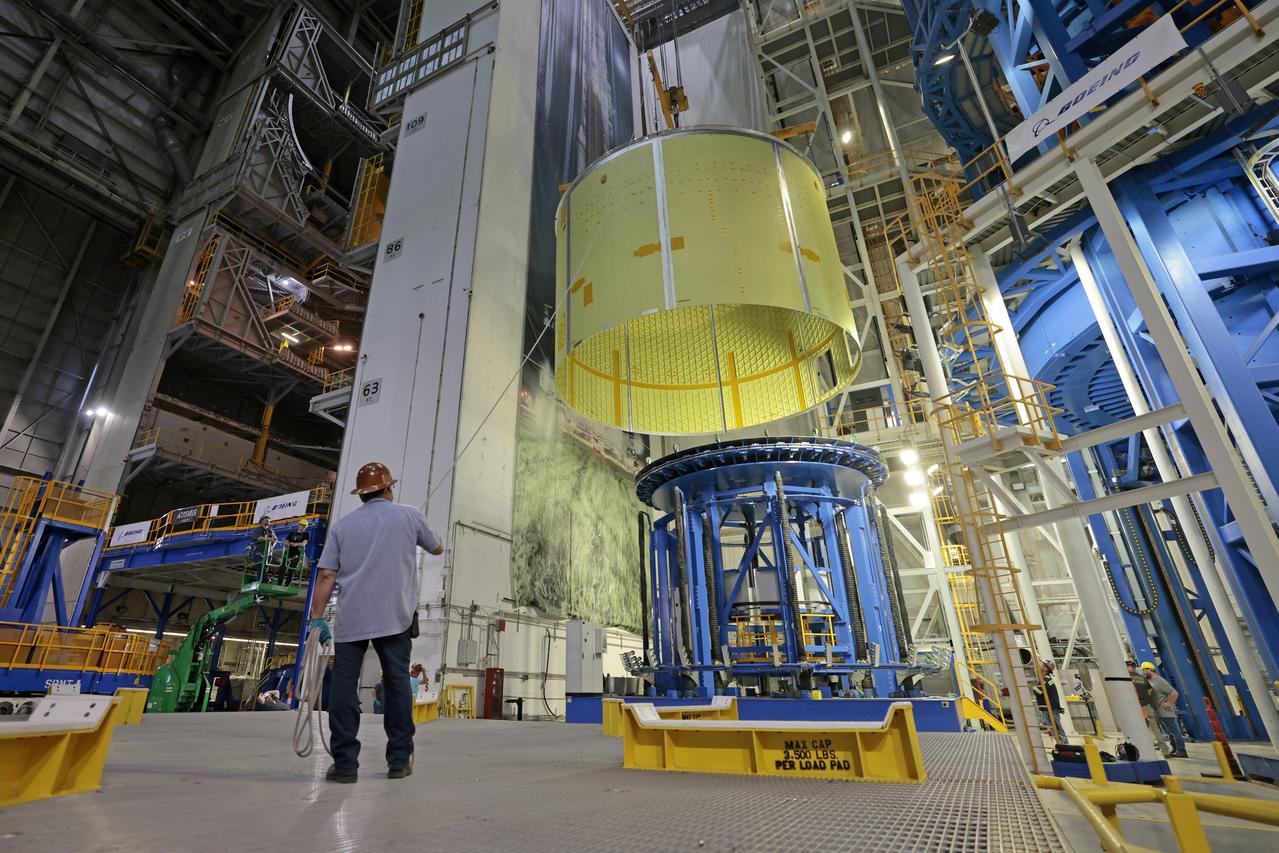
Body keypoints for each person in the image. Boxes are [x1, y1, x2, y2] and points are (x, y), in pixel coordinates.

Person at [309, 462, 444, 783]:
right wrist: (427, 532)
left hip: (351, 619)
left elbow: (326, 574)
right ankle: (398, 761)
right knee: (397, 685)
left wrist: (316, 619)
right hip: (394, 618)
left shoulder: (342, 527)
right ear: (388, 488)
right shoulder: (409, 515)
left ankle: (344, 765)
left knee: (343, 684)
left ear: (362, 496)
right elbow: (437, 547)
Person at [1141, 661, 1188, 757]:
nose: (1144, 672)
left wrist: (1168, 703)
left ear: (1151, 669)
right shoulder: (1150, 682)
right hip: (1158, 713)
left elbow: (1174, 693)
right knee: (1170, 733)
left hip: (1166, 713)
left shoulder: (1160, 681)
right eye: (1143, 670)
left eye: (1145, 670)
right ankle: (1175, 749)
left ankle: (1182, 751)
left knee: (1174, 732)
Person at [1034, 660, 1068, 743]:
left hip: (1050, 707)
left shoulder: (1045, 679)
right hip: (1049, 706)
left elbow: (1037, 691)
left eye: (1041, 665)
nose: (1039, 666)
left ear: (1045, 669)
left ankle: (1064, 743)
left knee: (1055, 725)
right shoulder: (1046, 678)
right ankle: (1060, 742)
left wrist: (1033, 687)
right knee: (1054, 726)